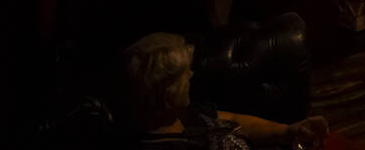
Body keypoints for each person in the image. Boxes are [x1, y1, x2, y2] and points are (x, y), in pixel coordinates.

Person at [122, 32, 328, 149]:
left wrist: (288, 130)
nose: (192, 75)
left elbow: (233, 121)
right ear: (167, 96)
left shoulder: (179, 115)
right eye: (185, 74)